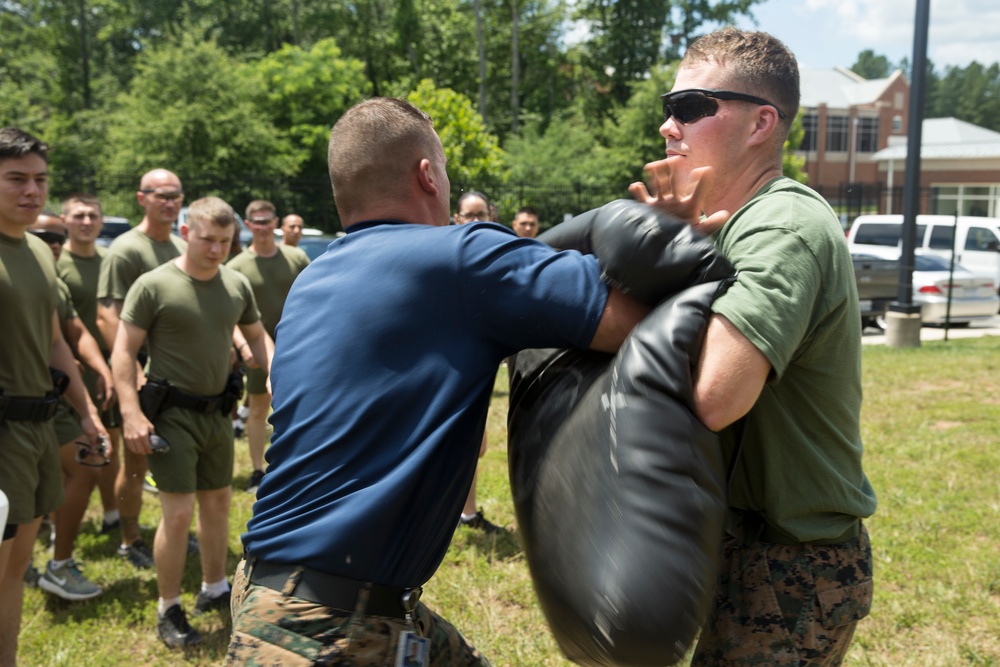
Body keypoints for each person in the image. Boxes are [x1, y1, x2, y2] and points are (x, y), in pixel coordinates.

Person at [226, 97, 648, 666]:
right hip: (329, 631)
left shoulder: (315, 276)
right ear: (427, 174)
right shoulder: (459, 259)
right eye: (446, 170)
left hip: (275, 593)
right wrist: (665, 231)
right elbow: (635, 322)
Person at [628, 28, 877, 666]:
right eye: (668, 107)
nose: (667, 126)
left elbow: (715, 397)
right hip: (742, 545)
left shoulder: (784, 226)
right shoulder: (737, 226)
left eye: (689, 108)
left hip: (791, 562)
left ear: (761, 122)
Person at [112, 196, 269, 649]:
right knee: (178, 514)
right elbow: (123, 352)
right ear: (186, 233)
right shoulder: (154, 285)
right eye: (207, 239)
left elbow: (258, 338)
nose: (217, 249)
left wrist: (272, 369)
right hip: (172, 415)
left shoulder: (236, 284)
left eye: (225, 240)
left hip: (217, 412)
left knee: (218, 503)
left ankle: (215, 589)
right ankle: (169, 606)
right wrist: (130, 412)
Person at [0, 127, 108, 667]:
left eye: (40, 179)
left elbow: (53, 340)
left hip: (39, 428)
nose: (31, 191)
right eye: (16, 179)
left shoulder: (41, 253)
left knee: (16, 569)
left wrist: (86, 413)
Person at [96, 168, 187, 570]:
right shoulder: (126, 250)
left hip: (175, 377)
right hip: (143, 374)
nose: (169, 202)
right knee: (136, 462)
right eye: (161, 195)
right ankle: (130, 538)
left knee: (178, 460)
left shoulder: (179, 246)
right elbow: (106, 317)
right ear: (141, 198)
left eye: (176, 195)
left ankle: (174, 529)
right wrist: (133, 373)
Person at [29, 212, 114, 601]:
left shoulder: (51, 280)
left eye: (57, 237)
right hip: (19, 401)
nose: (53, 242)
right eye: (43, 234)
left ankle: (57, 563)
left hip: (52, 399)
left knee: (82, 463)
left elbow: (73, 332)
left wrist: (100, 369)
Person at [227, 200, 305, 491]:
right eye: (257, 222)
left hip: (295, 345)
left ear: (276, 223)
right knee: (258, 408)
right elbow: (229, 314)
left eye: (268, 221)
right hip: (257, 350)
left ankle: (292, 465)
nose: (263, 227)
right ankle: (259, 471)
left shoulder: (295, 257)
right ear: (248, 226)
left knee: (298, 406)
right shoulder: (236, 267)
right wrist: (243, 346)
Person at [57, 194, 123, 536]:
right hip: (67, 373)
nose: (86, 222)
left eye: (92, 216)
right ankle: (58, 524)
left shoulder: (109, 260)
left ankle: (112, 514)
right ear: (64, 219)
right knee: (75, 456)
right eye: (79, 215)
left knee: (110, 444)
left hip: (107, 371)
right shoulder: (55, 262)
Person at [451, 189, 500, 533]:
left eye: (481, 214)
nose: (475, 221)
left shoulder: (495, 255)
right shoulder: (447, 251)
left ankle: (465, 514)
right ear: (456, 218)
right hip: (446, 361)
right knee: (460, 444)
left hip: (477, 361)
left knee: (474, 446)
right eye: (469, 214)